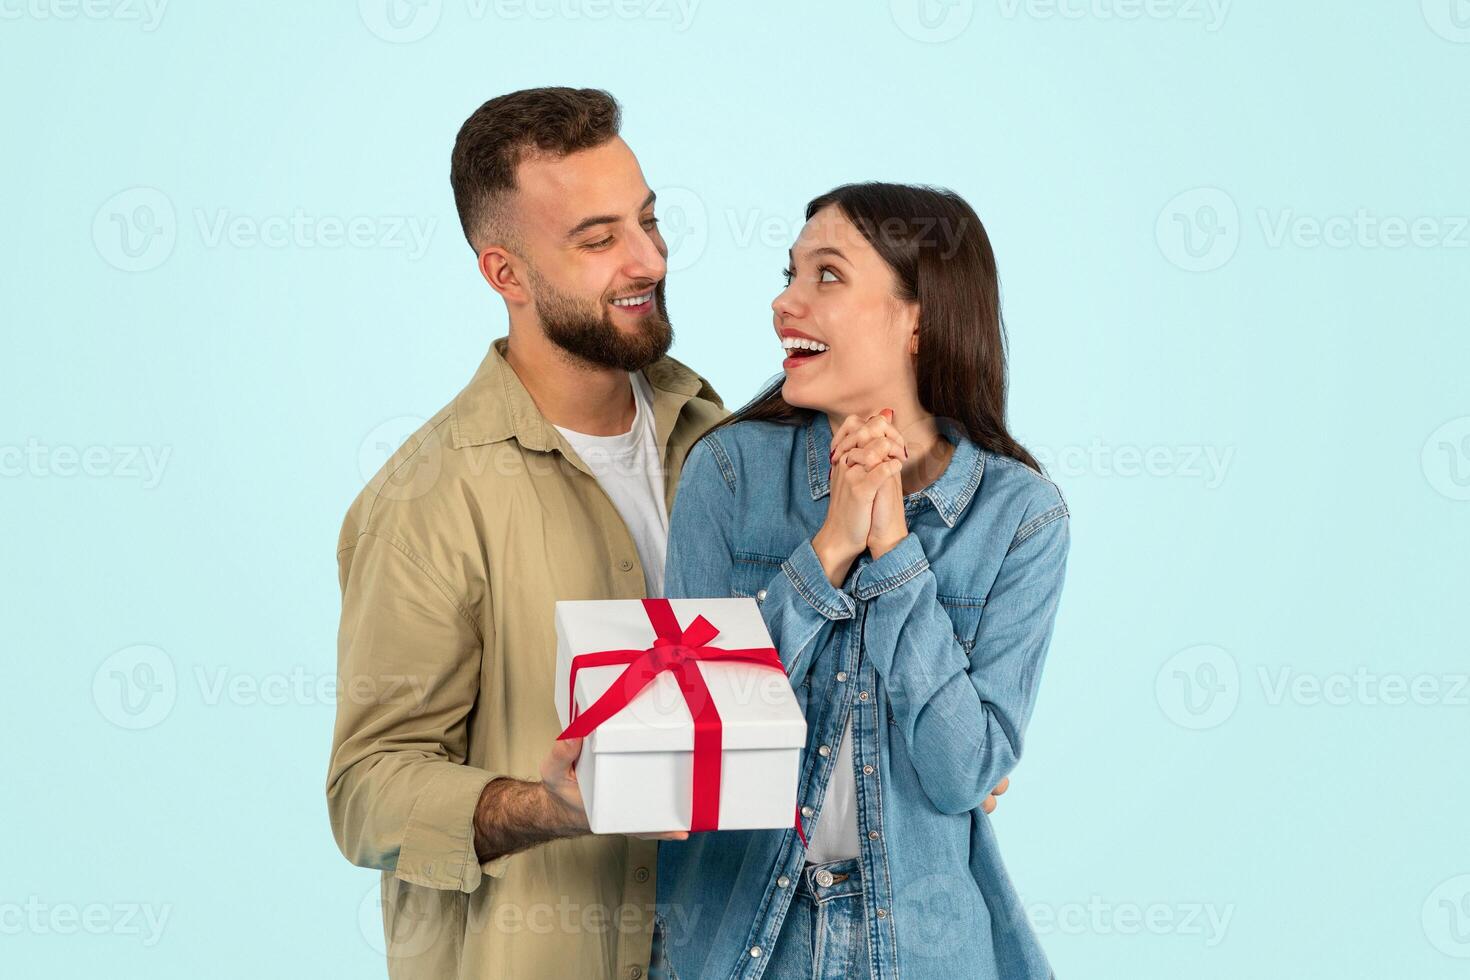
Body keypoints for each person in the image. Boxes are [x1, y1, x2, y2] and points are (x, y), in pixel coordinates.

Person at [651, 182, 1069, 980]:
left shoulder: (1021, 517)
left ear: (920, 317)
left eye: (827, 276)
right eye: (790, 273)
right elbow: (688, 738)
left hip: (924, 948)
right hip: (740, 940)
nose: (784, 302)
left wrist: (895, 550)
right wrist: (831, 546)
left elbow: (961, 773)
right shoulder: (730, 473)